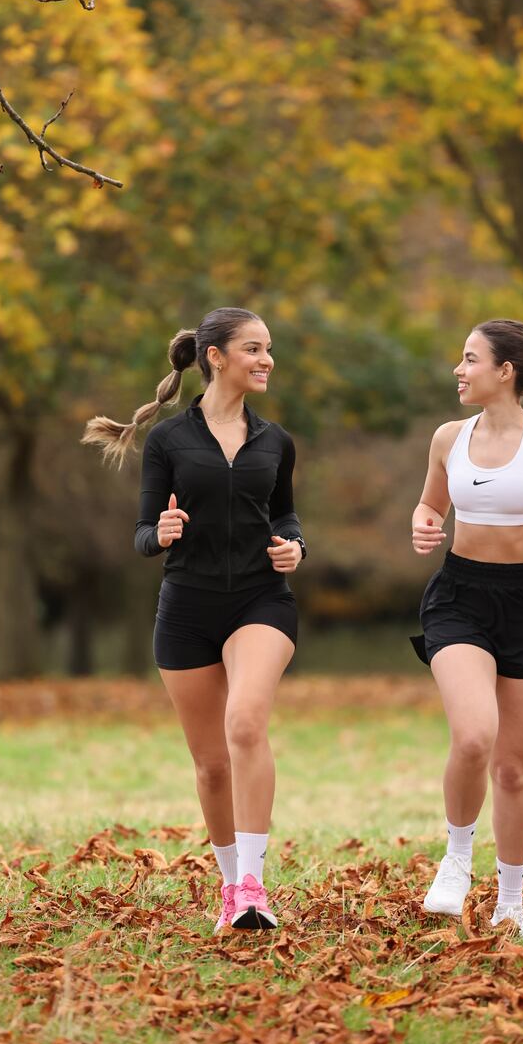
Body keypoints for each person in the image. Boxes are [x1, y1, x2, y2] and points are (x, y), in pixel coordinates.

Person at [83, 308, 305, 932]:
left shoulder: (276, 441)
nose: (266, 360)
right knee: (211, 763)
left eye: (268, 348)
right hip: (186, 610)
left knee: (246, 723)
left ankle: (255, 887)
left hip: (262, 600)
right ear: (216, 356)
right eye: (253, 348)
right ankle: (231, 887)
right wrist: (160, 532)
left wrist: (295, 546)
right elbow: (141, 533)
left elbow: (285, 516)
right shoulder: (168, 441)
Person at [410, 319, 523, 938]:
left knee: (513, 767)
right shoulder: (448, 438)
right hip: (459, 598)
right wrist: (424, 523)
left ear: (505, 371)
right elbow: (431, 504)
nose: (459, 370)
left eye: (470, 359)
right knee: (473, 737)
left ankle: (510, 901)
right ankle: (457, 859)